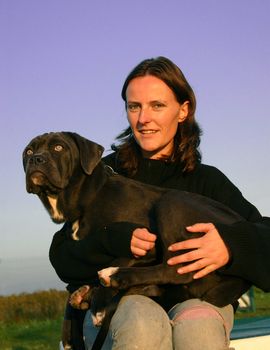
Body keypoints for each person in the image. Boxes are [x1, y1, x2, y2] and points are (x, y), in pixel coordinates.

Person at [58, 56, 270, 350]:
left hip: (197, 299)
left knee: (199, 327)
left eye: (157, 105)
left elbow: (264, 233)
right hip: (126, 302)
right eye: (134, 106)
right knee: (140, 324)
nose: (143, 118)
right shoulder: (101, 176)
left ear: (183, 111)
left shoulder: (207, 182)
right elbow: (63, 254)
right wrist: (111, 240)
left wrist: (230, 245)